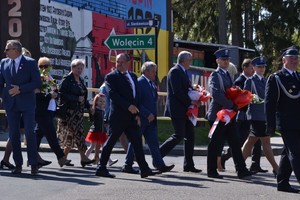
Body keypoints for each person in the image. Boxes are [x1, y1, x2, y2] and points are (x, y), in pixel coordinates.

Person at [95, 53, 158, 178]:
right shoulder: (111, 77)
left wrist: (137, 113)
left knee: (137, 142)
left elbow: (136, 96)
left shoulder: (133, 76)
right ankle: (101, 167)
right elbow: (113, 95)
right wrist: (128, 106)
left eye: (122, 62)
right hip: (118, 116)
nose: (119, 64)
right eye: (117, 62)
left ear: (128, 63)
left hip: (131, 117)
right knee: (111, 141)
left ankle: (144, 169)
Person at [206, 48, 253, 179]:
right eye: (223, 59)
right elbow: (216, 94)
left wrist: (237, 94)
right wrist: (231, 104)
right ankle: (211, 170)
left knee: (235, 142)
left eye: (227, 59)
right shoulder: (215, 75)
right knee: (215, 144)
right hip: (218, 115)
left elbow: (228, 92)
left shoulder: (227, 74)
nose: (226, 61)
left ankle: (241, 170)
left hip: (229, 115)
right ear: (217, 61)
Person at [124, 61, 175, 173]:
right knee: (135, 141)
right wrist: (146, 113)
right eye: (153, 71)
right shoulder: (140, 83)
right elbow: (136, 102)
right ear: (146, 71)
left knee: (153, 143)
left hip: (151, 120)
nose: (154, 73)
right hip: (142, 118)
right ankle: (128, 165)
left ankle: (159, 165)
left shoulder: (151, 84)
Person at [0, 40, 41, 175]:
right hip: (10, 103)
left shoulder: (30, 62)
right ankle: (18, 164)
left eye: (8, 49)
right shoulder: (3, 63)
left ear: (16, 50)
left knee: (29, 133)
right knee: (14, 134)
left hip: (27, 103)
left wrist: (21, 89)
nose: (5, 51)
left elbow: (37, 82)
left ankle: (34, 164)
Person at [219, 58, 267, 173]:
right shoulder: (240, 80)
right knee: (241, 140)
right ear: (244, 68)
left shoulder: (261, 80)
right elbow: (239, 98)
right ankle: (225, 157)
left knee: (257, 141)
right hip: (244, 115)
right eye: (251, 67)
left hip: (256, 116)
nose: (253, 69)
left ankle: (255, 164)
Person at [160, 51, 202, 173]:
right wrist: (191, 101)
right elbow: (177, 92)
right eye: (190, 60)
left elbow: (186, 89)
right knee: (179, 135)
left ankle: (188, 165)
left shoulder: (183, 71)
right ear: (183, 60)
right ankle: (158, 155)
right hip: (177, 109)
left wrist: (196, 94)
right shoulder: (175, 71)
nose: (191, 62)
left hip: (185, 110)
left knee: (190, 136)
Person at [265, 46, 300, 193]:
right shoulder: (276, 78)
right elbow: (269, 103)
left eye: (296, 57)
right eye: (291, 57)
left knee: (288, 152)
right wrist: (270, 125)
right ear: (283, 59)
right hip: (286, 122)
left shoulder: (298, 77)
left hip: (298, 121)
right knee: (297, 152)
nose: (294, 60)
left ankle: (283, 182)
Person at [242, 56, 278, 177]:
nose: (262, 69)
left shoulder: (266, 80)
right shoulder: (250, 81)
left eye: (263, 67)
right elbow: (245, 98)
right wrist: (253, 99)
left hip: (264, 116)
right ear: (253, 67)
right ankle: (276, 168)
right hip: (257, 116)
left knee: (250, 142)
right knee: (266, 142)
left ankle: (239, 165)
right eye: (259, 67)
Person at [57, 59, 94, 167]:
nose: (80, 70)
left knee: (71, 136)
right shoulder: (67, 79)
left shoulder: (81, 80)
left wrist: (89, 107)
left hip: (79, 112)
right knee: (78, 134)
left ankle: (63, 158)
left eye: (81, 68)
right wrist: (75, 98)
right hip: (69, 113)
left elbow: (83, 97)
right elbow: (61, 94)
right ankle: (83, 158)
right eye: (78, 68)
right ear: (72, 68)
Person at [35, 57, 69, 167]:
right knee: (51, 134)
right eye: (41, 66)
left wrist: (55, 94)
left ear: (50, 67)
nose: (43, 68)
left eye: (46, 66)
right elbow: (37, 95)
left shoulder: (50, 78)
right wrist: (50, 95)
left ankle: (33, 157)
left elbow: (56, 93)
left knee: (39, 134)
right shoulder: (38, 78)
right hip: (42, 110)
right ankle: (61, 157)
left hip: (50, 110)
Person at [85, 93, 117, 166]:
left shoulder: (102, 110)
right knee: (92, 146)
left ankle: (109, 160)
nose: (102, 103)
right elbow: (92, 119)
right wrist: (91, 112)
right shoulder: (95, 110)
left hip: (102, 131)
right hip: (96, 131)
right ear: (96, 101)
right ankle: (85, 158)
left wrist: (106, 122)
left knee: (104, 146)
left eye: (104, 101)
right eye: (100, 101)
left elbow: (102, 120)